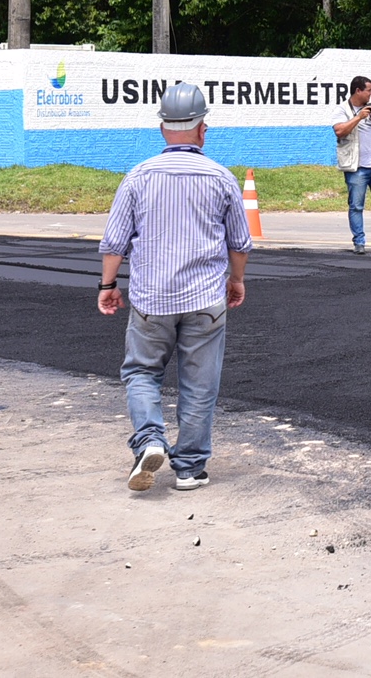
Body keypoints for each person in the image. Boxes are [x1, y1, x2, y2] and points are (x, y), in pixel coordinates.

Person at [98, 83, 253, 493]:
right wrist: (235, 281)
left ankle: (149, 439)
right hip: (205, 299)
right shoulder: (222, 178)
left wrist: (108, 285)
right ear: (203, 129)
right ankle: (189, 469)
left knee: (140, 373)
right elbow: (239, 243)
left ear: (163, 128)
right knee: (199, 384)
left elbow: (115, 241)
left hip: (152, 300)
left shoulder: (139, 177)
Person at [331, 75, 371, 254]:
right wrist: (358, 117)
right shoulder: (342, 109)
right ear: (358, 90)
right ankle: (359, 242)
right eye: (368, 90)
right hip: (356, 166)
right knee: (356, 206)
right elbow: (339, 131)